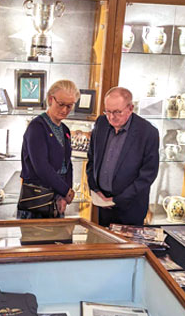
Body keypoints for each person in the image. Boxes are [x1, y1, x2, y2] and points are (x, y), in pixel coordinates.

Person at [86, 86, 159, 226]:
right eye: (108, 111)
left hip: (130, 208)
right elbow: (91, 159)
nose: (111, 117)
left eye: (117, 112)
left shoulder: (148, 132)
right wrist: (95, 189)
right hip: (102, 204)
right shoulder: (101, 123)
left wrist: (117, 199)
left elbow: (148, 175)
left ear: (130, 108)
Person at [18, 80, 78, 219]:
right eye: (61, 104)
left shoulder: (65, 130)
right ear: (51, 99)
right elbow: (41, 167)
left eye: (69, 106)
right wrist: (65, 191)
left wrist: (65, 195)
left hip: (58, 197)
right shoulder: (37, 127)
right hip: (38, 198)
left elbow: (67, 164)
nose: (64, 110)